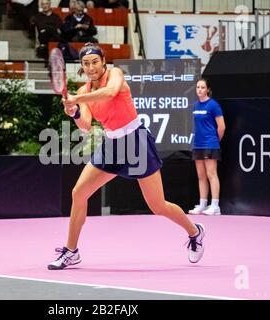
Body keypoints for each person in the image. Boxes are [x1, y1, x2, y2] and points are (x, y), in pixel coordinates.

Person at [47, 43, 205, 270]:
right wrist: (75, 112)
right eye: (86, 63)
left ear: (103, 61)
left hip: (136, 141)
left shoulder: (115, 74)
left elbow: (110, 92)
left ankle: (195, 232)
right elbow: (86, 127)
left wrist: (77, 101)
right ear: (81, 66)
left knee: (158, 205)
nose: (91, 67)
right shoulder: (83, 93)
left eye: (95, 62)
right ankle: (71, 251)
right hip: (111, 144)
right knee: (78, 192)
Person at [188, 79, 225, 216]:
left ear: (208, 89)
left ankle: (215, 205)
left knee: (211, 174)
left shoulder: (213, 105)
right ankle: (203, 204)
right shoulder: (195, 105)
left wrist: (214, 141)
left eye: (202, 87)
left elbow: (221, 127)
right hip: (197, 144)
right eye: (198, 87)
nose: (199, 90)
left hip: (210, 144)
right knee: (201, 176)